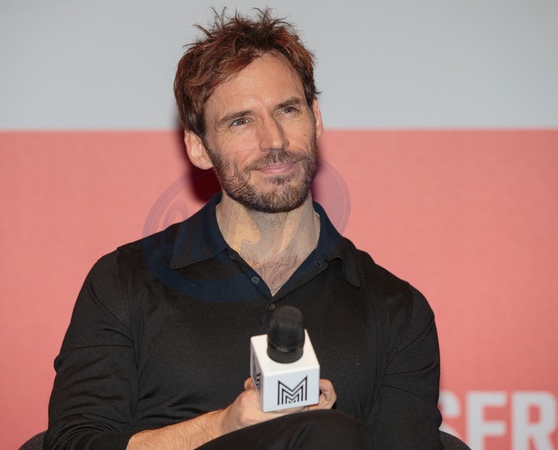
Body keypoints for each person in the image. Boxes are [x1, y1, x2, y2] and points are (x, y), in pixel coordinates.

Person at [45, 8, 443, 450]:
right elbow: (72, 444)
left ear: (316, 118)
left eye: (287, 110)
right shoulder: (126, 281)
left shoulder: (396, 310)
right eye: (241, 121)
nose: (273, 141)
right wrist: (222, 427)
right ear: (199, 147)